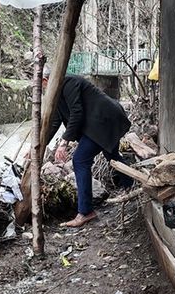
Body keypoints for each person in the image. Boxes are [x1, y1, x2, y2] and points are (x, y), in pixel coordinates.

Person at [45, 69, 133, 227]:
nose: (43, 90)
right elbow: (55, 121)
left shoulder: (68, 83)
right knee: (112, 157)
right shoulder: (56, 92)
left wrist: (64, 142)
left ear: (46, 81)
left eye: (42, 86)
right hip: (101, 122)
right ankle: (131, 186)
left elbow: (76, 113)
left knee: (80, 160)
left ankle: (85, 212)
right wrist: (38, 145)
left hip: (105, 120)